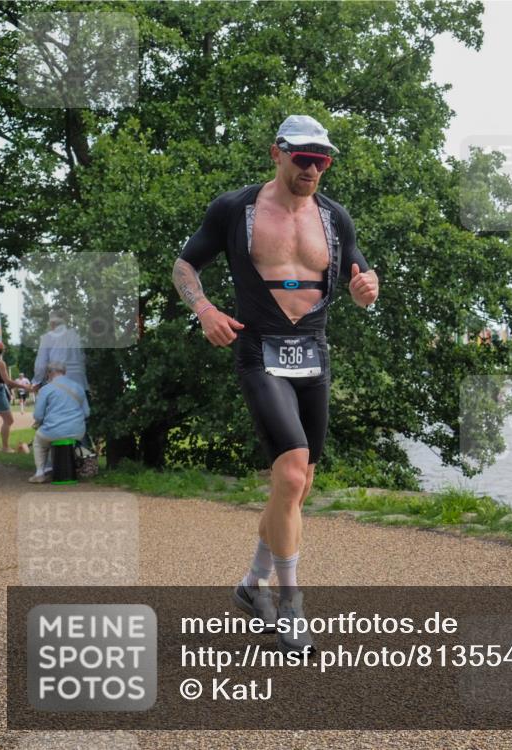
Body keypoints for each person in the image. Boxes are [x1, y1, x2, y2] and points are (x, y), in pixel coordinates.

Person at [173, 114, 378, 652]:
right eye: (303, 158)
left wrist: (366, 287)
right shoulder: (234, 209)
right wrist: (204, 310)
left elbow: (360, 275)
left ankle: (248, 585)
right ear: (277, 153)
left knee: (299, 486)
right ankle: (289, 608)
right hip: (259, 350)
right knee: (288, 477)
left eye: (322, 160)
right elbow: (184, 267)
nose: (312, 168)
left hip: (314, 355)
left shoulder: (335, 217)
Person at [29, 361, 89, 483]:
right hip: (78, 431)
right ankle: (57, 468)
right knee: (53, 437)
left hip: (54, 430)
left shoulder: (46, 389)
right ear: (64, 372)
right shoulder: (78, 387)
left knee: (39, 441)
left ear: (49, 373)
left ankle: (40, 472)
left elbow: (38, 415)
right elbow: (87, 413)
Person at [32, 309, 89, 395]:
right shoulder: (76, 336)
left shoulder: (47, 338)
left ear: (52, 323)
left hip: (59, 383)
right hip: (79, 384)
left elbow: (41, 364)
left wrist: (36, 381)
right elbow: (83, 359)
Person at [0, 340, 21, 452]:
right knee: (9, 420)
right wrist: (24, 386)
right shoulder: (0, 363)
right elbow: (7, 381)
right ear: (1, 351)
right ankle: (6, 447)